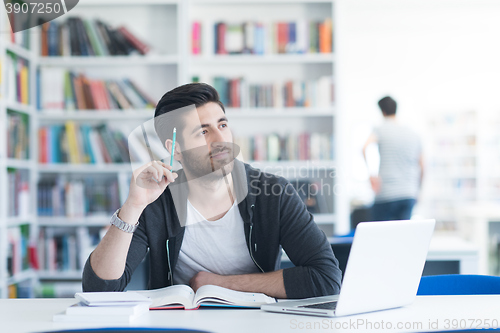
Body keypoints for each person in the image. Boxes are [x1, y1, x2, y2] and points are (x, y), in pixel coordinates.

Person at [83, 83, 342, 299]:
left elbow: (326, 278)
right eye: (202, 131)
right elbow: (100, 289)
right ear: (176, 149)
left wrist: (218, 283)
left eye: (222, 125)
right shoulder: (157, 200)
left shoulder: (273, 194)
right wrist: (133, 206)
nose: (220, 140)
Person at [362, 96, 424, 221]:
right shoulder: (413, 134)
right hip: (408, 193)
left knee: (381, 236)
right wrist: (418, 189)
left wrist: (371, 175)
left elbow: (364, 148)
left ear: (382, 111)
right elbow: (422, 165)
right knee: (403, 236)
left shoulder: (380, 130)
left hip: (386, 194)